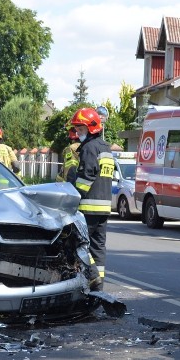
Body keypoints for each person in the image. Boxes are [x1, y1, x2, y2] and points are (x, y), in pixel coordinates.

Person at [66, 107, 114, 290]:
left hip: (88, 207)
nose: (78, 133)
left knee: (78, 243)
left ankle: (92, 276)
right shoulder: (106, 148)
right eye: (77, 129)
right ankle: (98, 287)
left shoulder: (89, 148)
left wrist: (74, 196)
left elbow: (87, 176)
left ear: (91, 128)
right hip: (104, 207)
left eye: (81, 129)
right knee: (98, 248)